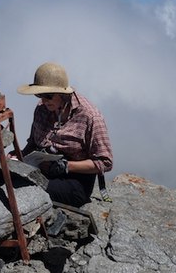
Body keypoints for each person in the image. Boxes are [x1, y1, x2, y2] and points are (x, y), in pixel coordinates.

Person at [16, 62, 113, 207]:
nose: (43, 100)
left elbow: (105, 162)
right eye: (39, 95)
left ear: (62, 93)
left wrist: (65, 166)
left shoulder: (90, 116)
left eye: (48, 96)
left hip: (75, 180)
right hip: (43, 169)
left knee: (31, 189)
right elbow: (33, 143)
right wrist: (18, 156)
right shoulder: (42, 109)